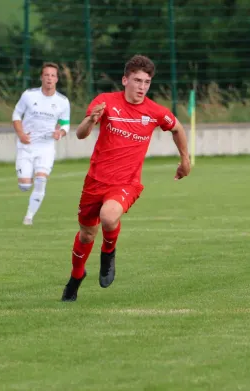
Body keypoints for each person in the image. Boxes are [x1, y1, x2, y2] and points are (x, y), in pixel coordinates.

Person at [61, 54, 191, 302]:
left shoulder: (154, 111)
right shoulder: (106, 102)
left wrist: (185, 159)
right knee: (86, 234)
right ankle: (76, 277)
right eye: (137, 80)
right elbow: (80, 134)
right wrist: (91, 120)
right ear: (125, 80)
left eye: (146, 82)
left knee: (108, 216)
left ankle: (108, 252)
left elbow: (177, 128)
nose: (142, 87)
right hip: (95, 182)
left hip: (126, 183)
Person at [12, 62, 71, 226]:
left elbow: (65, 124)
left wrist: (60, 132)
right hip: (27, 144)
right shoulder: (29, 95)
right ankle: (27, 173)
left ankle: (29, 217)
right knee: (24, 186)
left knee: (41, 179)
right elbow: (16, 115)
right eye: (46, 75)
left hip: (46, 147)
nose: (49, 78)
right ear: (41, 77)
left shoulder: (62, 101)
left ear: (57, 79)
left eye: (53, 75)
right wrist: (21, 134)